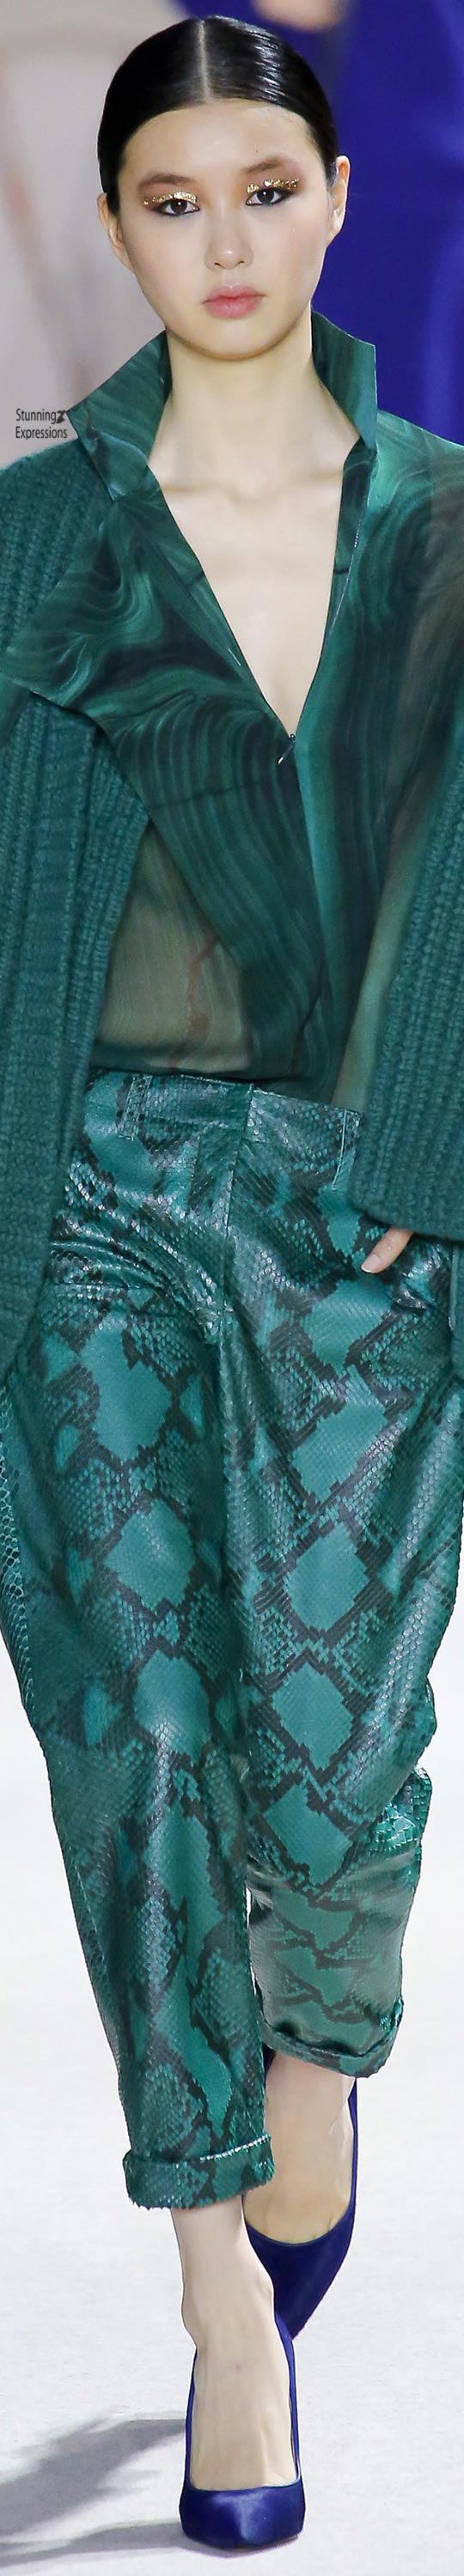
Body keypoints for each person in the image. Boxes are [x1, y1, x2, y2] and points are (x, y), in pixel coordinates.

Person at [2, 13, 464, 2548]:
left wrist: (434, 1155)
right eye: (171, 198)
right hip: (78, 1189)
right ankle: (214, 2312)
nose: (223, 242)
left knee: (328, 1769)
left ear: (335, 197)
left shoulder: (451, 522)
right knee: (144, 1747)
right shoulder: (30, 538)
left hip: (360, 1210)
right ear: (120, 224)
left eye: (263, 188)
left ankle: (314, 2068)